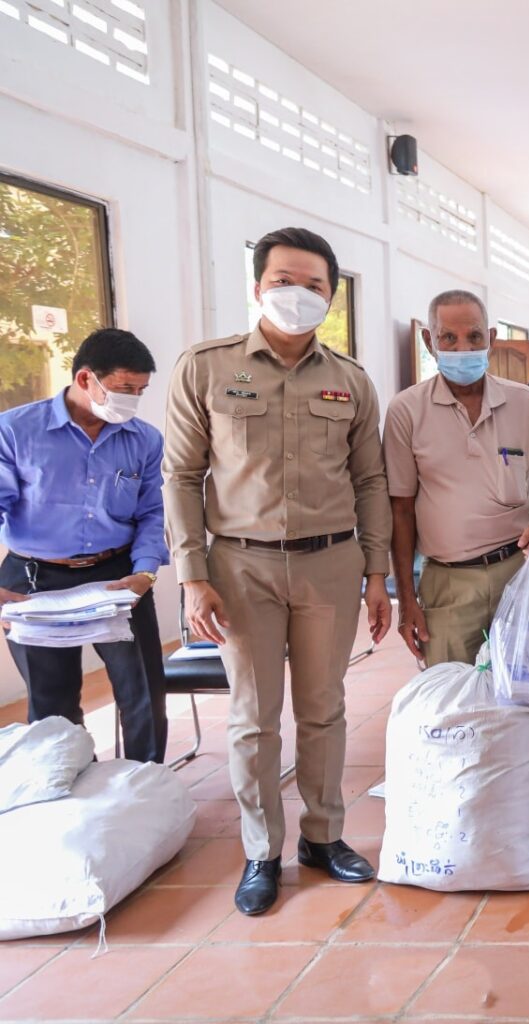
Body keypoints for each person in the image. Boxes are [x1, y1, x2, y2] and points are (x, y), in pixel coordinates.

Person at [164, 226, 393, 916]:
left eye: (314, 285)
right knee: (253, 719)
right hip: (240, 568)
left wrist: (377, 573)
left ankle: (323, 838)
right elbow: (180, 475)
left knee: (324, 711)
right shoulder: (206, 367)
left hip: (330, 565)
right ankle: (261, 851)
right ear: (257, 285)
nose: (299, 294)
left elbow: (371, 482)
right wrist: (192, 573)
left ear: (331, 296)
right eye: (284, 281)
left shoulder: (350, 379)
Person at [0, 328, 169, 764]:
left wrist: (146, 572)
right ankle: (73, 800)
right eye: (123, 389)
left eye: (140, 390)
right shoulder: (16, 431)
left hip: (118, 577)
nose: (132, 400)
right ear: (84, 380)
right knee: (52, 704)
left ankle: (145, 787)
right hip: (34, 579)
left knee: (143, 695)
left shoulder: (144, 440)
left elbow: (151, 513)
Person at [385, 290, 529, 667]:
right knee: (455, 707)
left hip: (521, 571)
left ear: (492, 339)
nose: (463, 348)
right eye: (449, 338)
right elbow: (400, 511)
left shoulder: (526, 404)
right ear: (429, 341)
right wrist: (407, 599)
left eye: (475, 337)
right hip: (449, 585)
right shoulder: (406, 411)